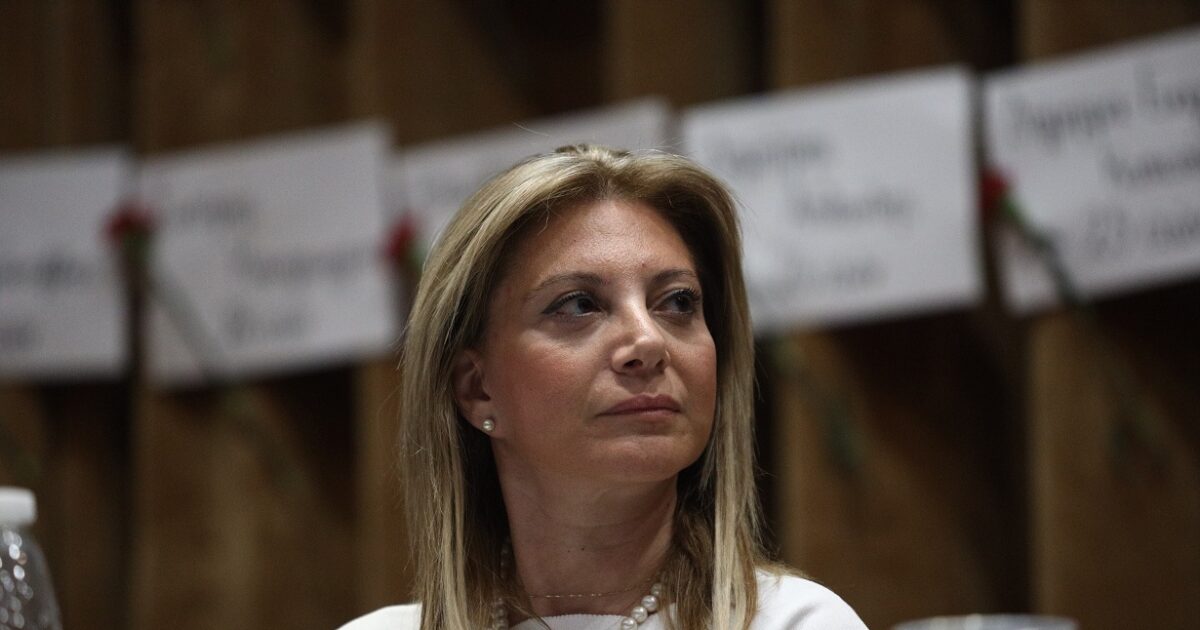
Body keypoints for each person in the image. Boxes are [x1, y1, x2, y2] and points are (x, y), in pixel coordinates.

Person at [341, 145, 867, 630]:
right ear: (478, 389)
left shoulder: (796, 622)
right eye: (579, 305)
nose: (647, 340)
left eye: (678, 302)